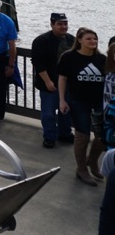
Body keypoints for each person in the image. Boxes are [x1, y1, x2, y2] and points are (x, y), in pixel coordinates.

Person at [58, 27, 106, 185]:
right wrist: (62, 100)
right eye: (89, 39)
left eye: (95, 39)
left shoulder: (102, 59)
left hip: (99, 102)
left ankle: (92, 161)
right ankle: (81, 169)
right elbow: (63, 79)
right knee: (82, 136)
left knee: (102, 136)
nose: (93, 41)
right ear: (79, 40)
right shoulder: (69, 57)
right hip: (78, 102)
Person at [31, 12, 75, 147]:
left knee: (66, 111)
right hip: (49, 83)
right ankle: (49, 136)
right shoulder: (41, 41)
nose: (63, 27)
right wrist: (47, 81)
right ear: (52, 24)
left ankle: (65, 133)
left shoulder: (72, 40)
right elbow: (38, 63)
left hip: (68, 84)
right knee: (48, 112)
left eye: (65, 24)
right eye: (59, 24)